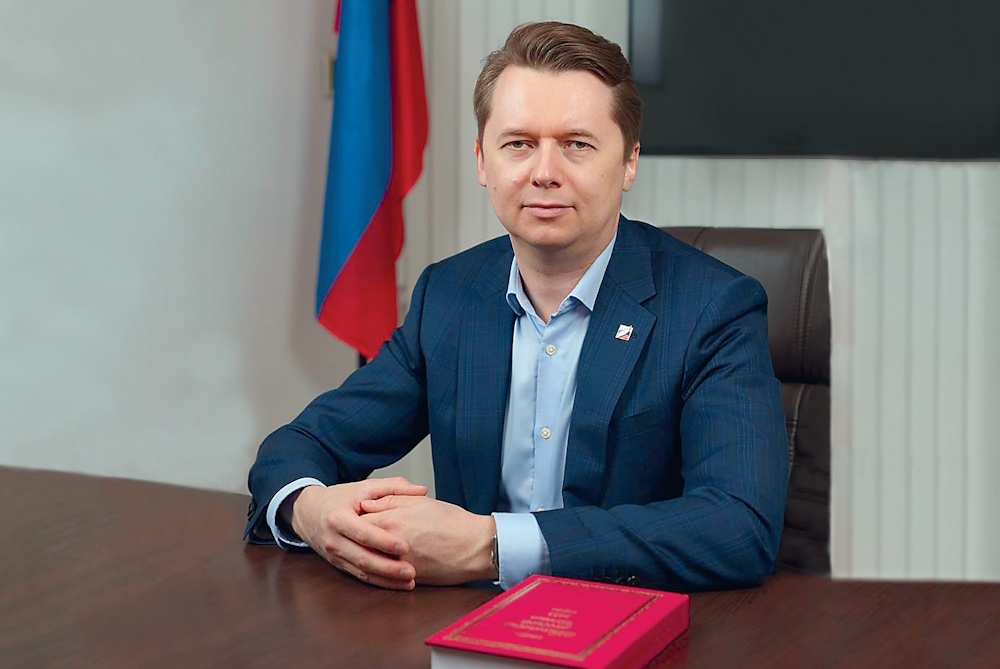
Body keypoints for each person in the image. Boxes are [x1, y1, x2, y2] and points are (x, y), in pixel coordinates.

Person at [245, 21, 788, 593]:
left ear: (629, 161)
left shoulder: (713, 308)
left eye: (577, 144)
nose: (545, 173)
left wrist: (491, 545)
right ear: (483, 161)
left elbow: (739, 525)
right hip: (467, 626)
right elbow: (298, 447)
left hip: (630, 621)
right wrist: (310, 510)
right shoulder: (449, 296)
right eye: (518, 144)